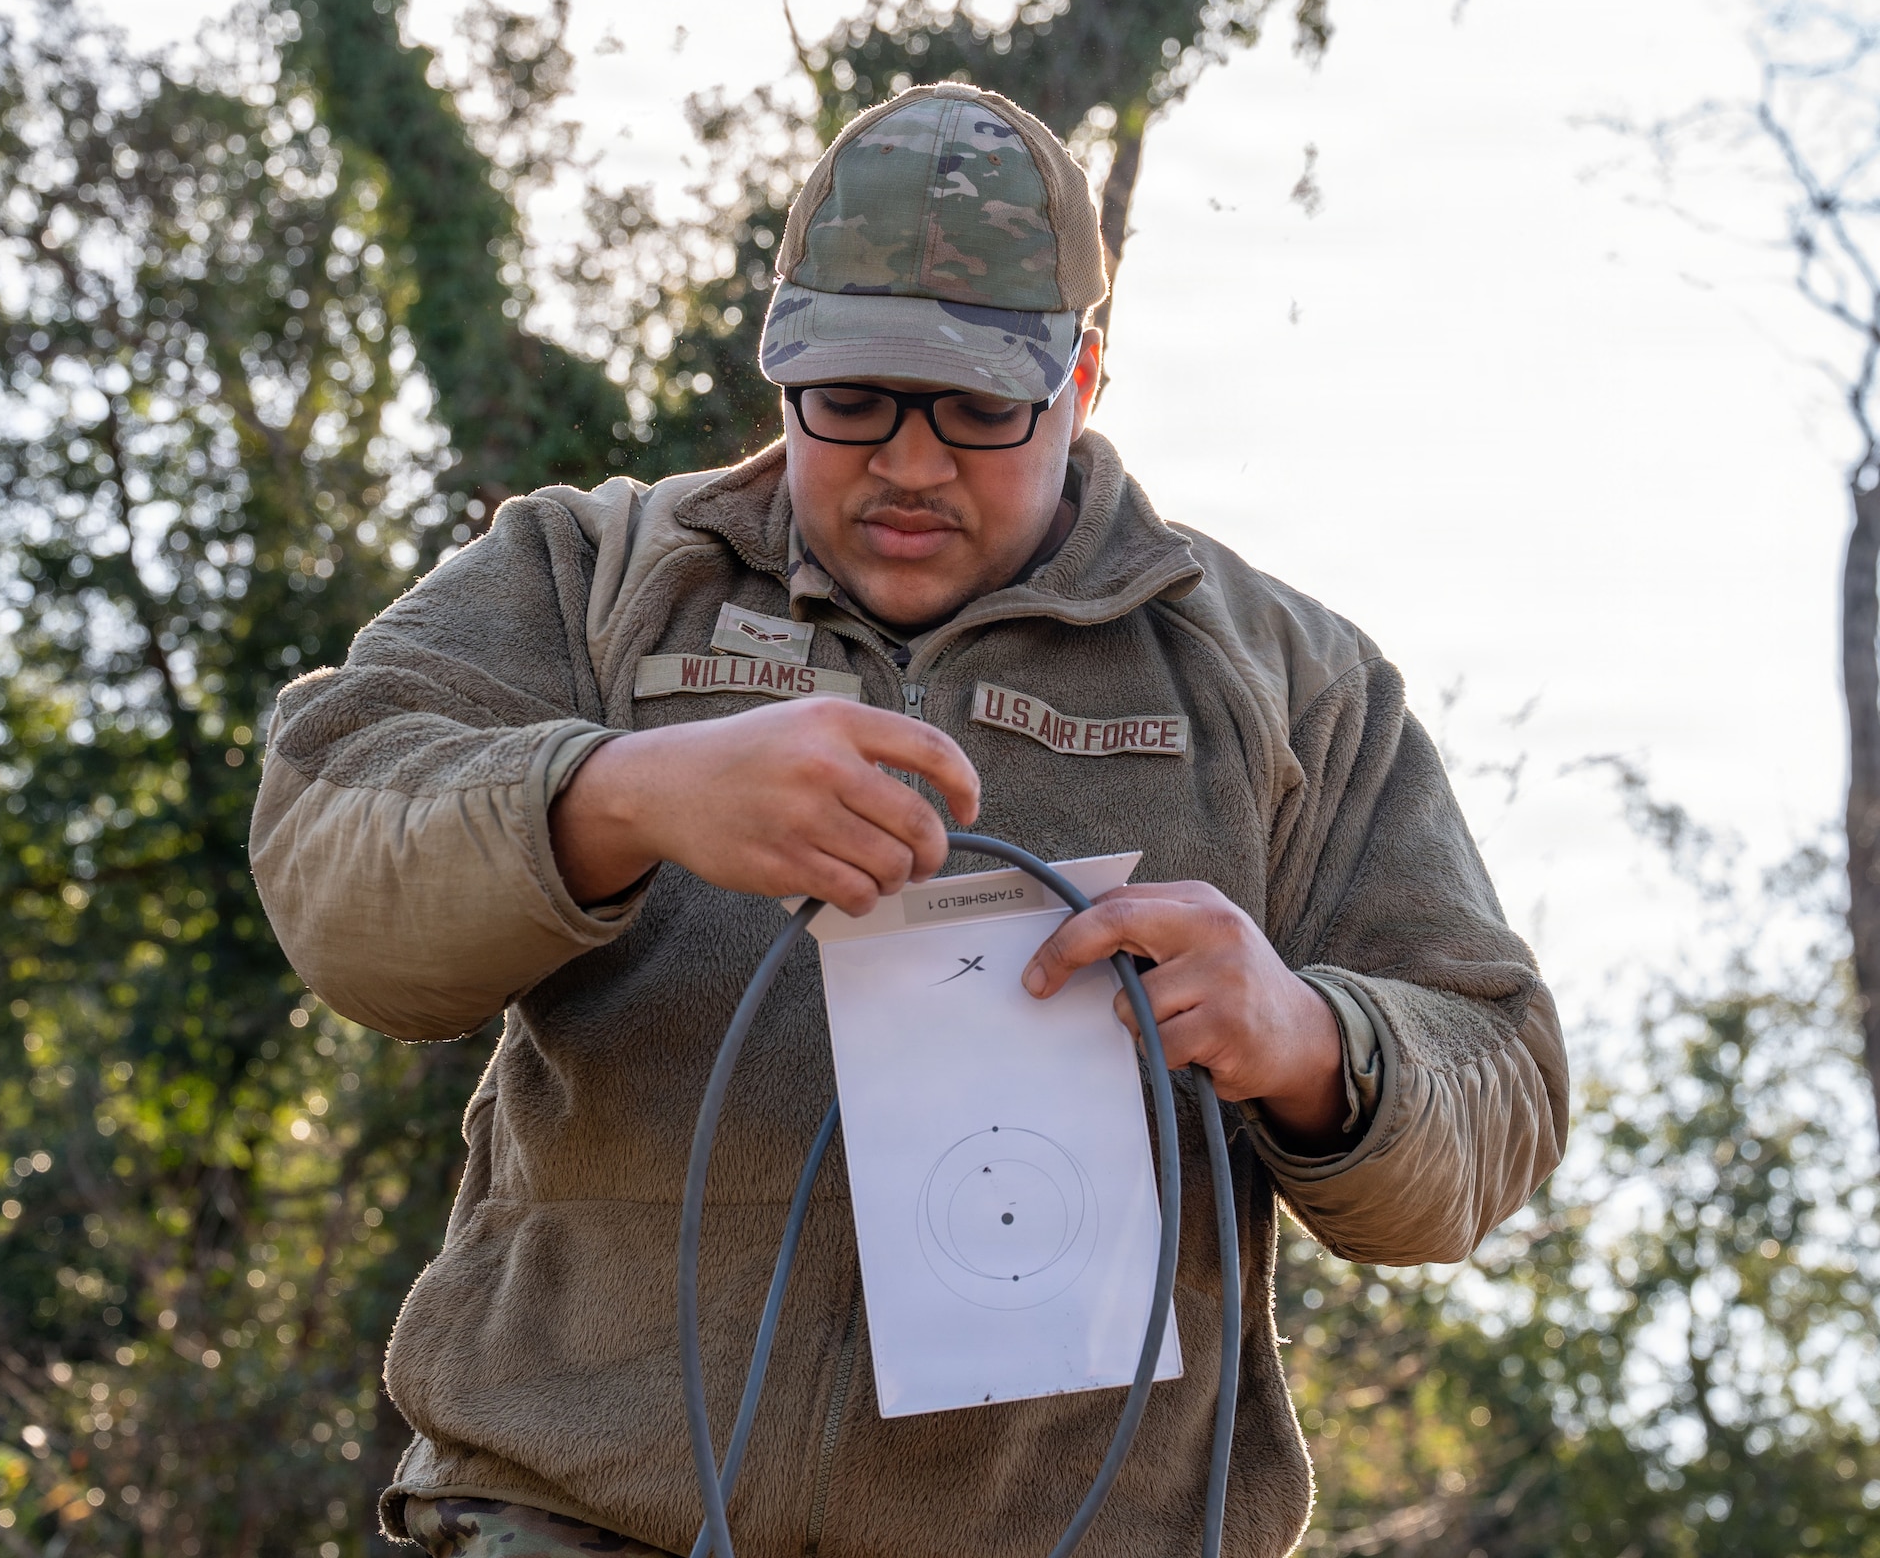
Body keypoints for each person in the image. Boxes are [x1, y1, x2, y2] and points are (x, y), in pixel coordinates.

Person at [250, 82, 1567, 1558]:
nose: (911, 462)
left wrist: (1314, 1043)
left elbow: (1498, 1077)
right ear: (780, 359)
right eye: (854, 396)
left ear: (1085, 380)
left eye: (981, 407)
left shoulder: (1285, 683)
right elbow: (327, 843)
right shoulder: (599, 577)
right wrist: (619, 797)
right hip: (570, 1521)